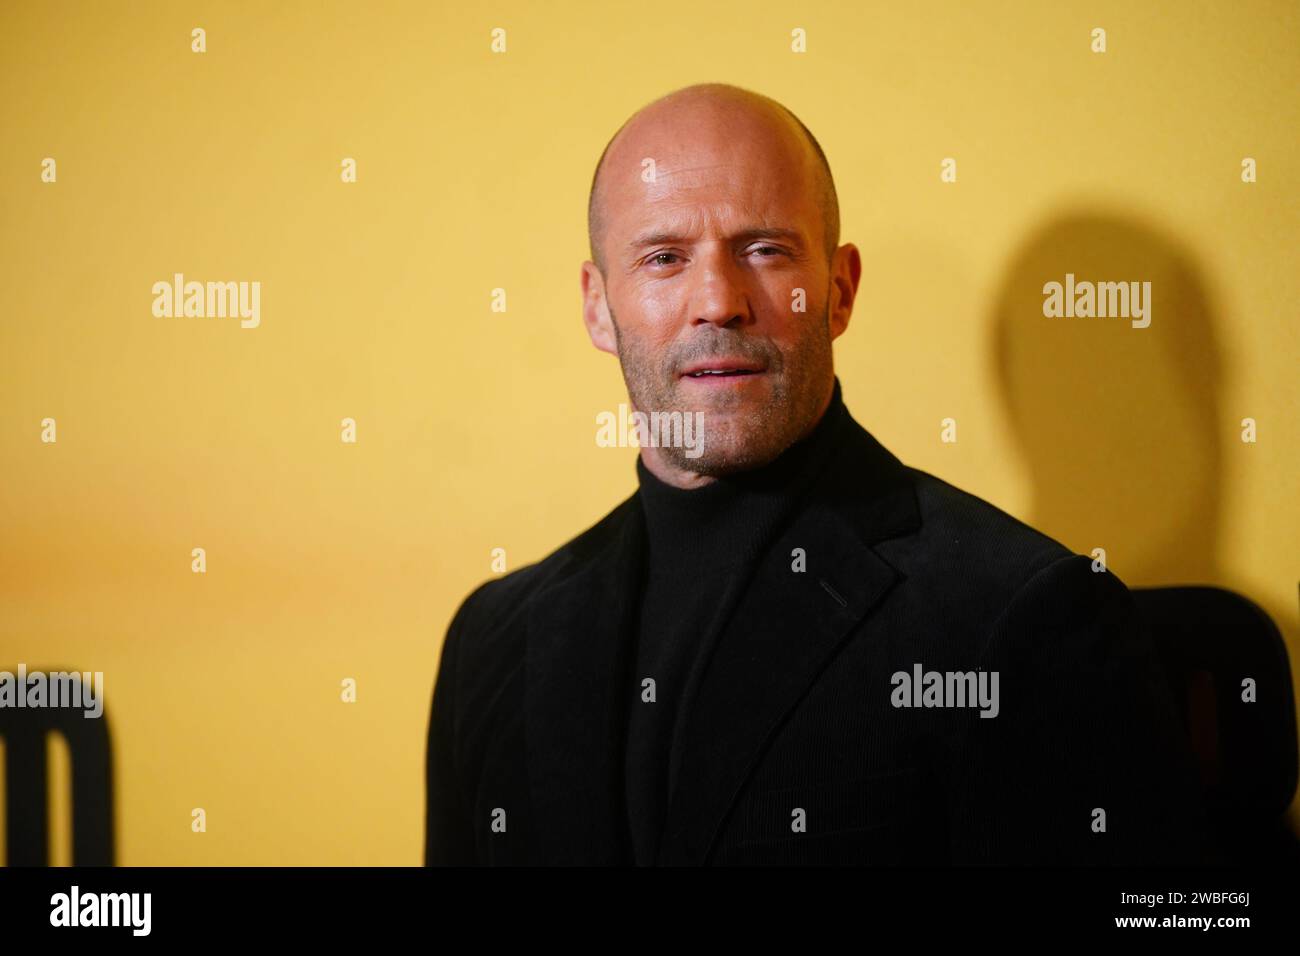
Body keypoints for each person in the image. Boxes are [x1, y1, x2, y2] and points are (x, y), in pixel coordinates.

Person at [425, 82, 1209, 865]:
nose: (718, 302)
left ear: (839, 290)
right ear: (598, 307)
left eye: (764, 250)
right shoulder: (493, 639)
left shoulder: (1020, 615)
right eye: (664, 258)